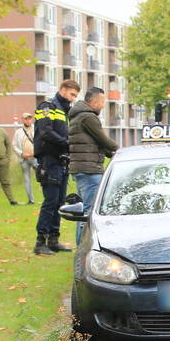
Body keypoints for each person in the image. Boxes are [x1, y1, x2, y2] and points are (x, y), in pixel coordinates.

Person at [33, 79, 81, 255]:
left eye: (75, 96)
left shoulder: (64, 110)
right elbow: (46, 132)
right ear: (62, 90)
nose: (73, 99)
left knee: (60, 202)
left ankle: (54, 240)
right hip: (49, 159)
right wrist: (67, 143)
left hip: (61, 160)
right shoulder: (48, 106)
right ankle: (40, 242)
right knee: (50, 201)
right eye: (71, 94)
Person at [68, 87, 118, 243]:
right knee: (89, 212)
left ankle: (82, 245)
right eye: (102, 102)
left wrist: (111, 153)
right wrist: (121, 152)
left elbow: (97, 145)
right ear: (93, 101)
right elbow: (103, 140)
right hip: (89, 170)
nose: (103, 105)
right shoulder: (88, 118)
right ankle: (82, 247)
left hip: (83, 169)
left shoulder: (79, 116)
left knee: (85, 210)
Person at [12, 112, 37, 204]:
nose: (28, 120)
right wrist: (21, 154)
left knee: (42, 178)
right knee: (27, 179)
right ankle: (31, 200)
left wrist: (37, 153)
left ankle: (47, 198)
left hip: (35, 158)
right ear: (22, 120)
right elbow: (14, 145)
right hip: (24, 159)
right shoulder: (18, 132)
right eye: (26, 119)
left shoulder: (36, 129)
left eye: (29, 118)